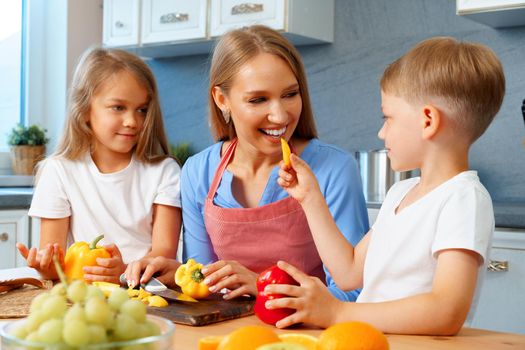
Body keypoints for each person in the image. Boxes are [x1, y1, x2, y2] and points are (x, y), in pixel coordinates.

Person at [266, 37, 506, 335]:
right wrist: (311, 198)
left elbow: (447, 311)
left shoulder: (463, 200)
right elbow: (349, 273)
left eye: (388, 117)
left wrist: (339, 311)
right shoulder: (401, 193)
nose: (381, 132)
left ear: (427, 121)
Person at [126, 25, 369, 300]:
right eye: (258, 99)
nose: (279, 116)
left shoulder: (333, 169)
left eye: (290, 94)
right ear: (222, 99)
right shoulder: (198, 172)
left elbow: (356, 292)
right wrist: (177, 276)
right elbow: (206, 284)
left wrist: (264, 287)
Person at [16, 47, 182, 284]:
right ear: (84, 110)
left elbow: (163, 256)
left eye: (142, 110)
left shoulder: (164, 171)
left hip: (143, 295)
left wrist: (123, 272)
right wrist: (43, 267)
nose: (131, 121)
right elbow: (55, 268)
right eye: (118, 107)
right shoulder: (58, 171)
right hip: (80, 298)